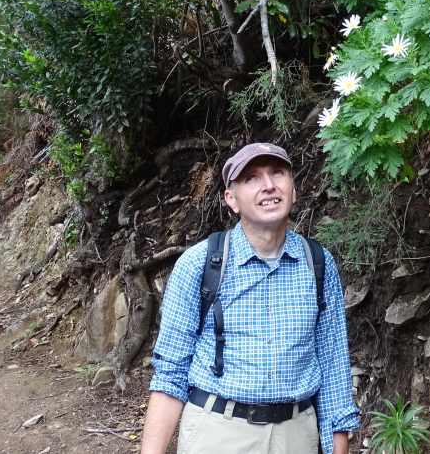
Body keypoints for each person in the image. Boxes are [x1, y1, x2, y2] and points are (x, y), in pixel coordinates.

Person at [140, 142, 359, 454]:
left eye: (277, 173)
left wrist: (338, 447)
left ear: (293, 191)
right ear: (232, 199)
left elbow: (334, 365)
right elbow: (170, 374)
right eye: (251, 178)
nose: (268, 185)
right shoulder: (199, 264)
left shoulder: (319, 264)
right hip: (217, 433)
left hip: (297, 436)